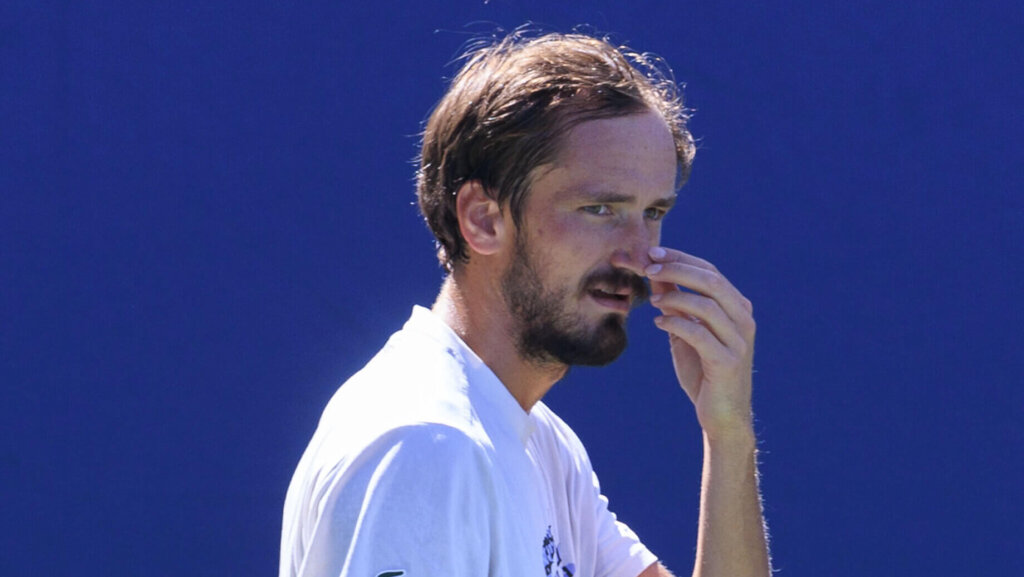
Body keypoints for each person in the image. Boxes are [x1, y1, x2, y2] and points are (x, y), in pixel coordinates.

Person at [280, 31, 771, 577]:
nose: (639, 255)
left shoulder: (541, 443)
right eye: (599, 209)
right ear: (483, 220)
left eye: (652, 213)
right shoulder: (425, 446)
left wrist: (729, 434)